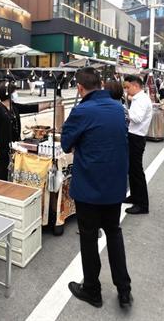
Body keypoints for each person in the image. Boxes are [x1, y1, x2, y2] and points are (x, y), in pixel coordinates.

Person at [61, 67, 132, 309]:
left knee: (89, 237)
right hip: (114, 186)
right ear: (100, 84)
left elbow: (65, 144)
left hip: (90, 187)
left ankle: (92, 289)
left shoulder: (81, 111)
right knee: (114, 233)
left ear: (80, 88)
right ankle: (124, 290)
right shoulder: (120, 108)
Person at [0, 82, 52, 181]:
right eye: (14, 91)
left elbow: (30, 108)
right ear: (8, 94)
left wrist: (49, 105)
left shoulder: (14, 107)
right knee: (0, 173)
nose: (16, 93)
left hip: (13, 146)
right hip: (1, 148)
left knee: (11, 172)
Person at [123, 75, 153, 215]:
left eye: (128, 87)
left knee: (136, 171)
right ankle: (135, 196)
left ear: (136, 86)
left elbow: (137, 118)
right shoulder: (139, 98)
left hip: (137, 137)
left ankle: (142, 204)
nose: (127, 90)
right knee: (132, 170)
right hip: (135, 135)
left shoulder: (140, 100)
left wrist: (125, 111)